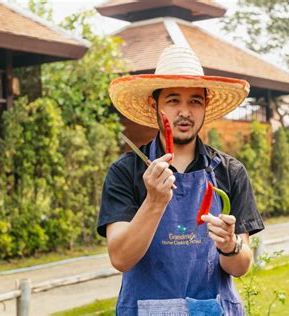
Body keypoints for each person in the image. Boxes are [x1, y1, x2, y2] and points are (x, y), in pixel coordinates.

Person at [97, 45, 264, 315]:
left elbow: (241, 266)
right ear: (155, 104)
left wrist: (230, 245)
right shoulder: (125, 172)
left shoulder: (230, 171)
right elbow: (121, 258)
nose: (184, 112)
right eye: (173, 100)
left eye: (194, 101)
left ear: (206, 105)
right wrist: (154, 201)